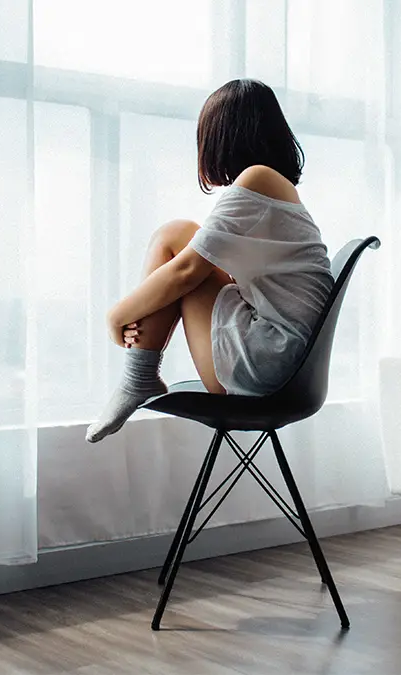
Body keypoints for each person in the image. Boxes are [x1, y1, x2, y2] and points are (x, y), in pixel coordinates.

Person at [85, 78, 334, 443]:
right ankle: (139, 377)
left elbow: (187, 271)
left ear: (222, 136)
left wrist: (116, 315)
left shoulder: (258, 179)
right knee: (181, 235)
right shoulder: (275, 187)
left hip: (268, 366)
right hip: (286, 364)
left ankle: (137, 377)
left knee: (174, 239)